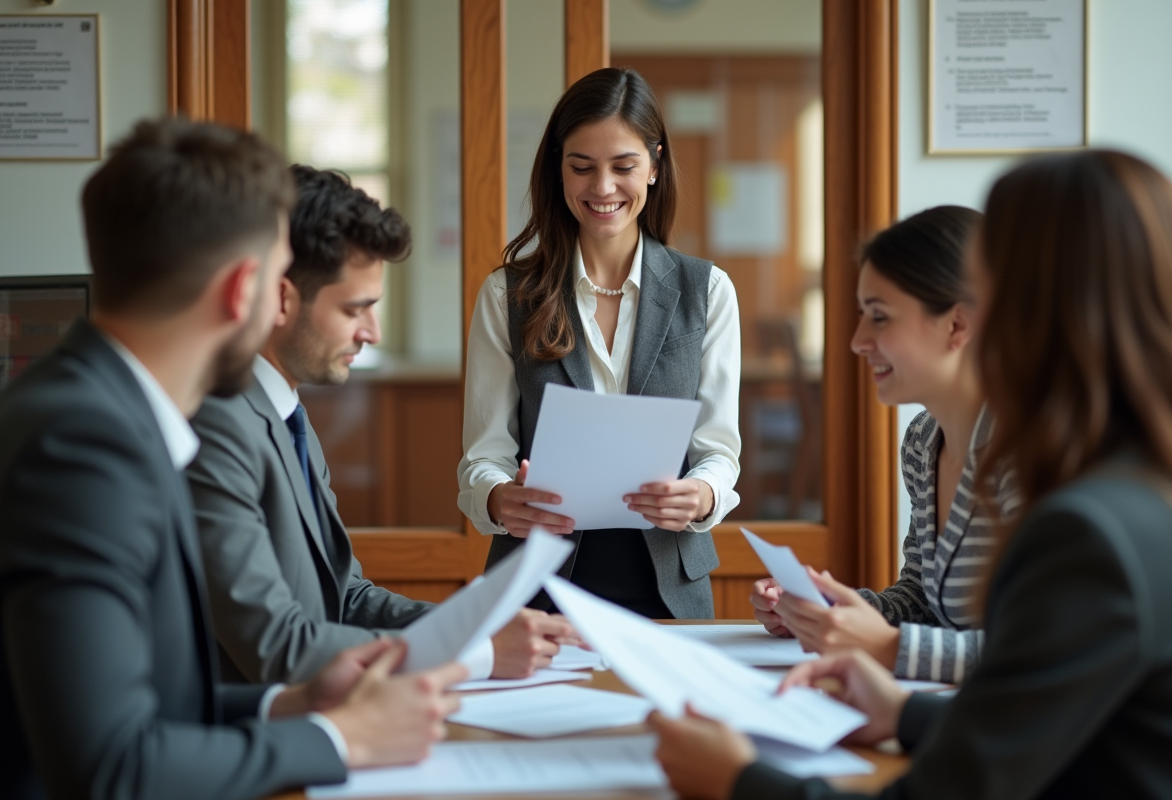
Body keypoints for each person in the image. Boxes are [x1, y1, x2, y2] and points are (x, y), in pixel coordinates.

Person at [650, 149, 1172, 798]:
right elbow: (1051, 709)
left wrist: (737, 781)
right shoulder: (1144, 483)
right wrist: (904, 711)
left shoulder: (1089, 527)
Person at [0, 119, 467, 800]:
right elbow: (108, 768)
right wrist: (344, 740)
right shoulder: (81, 445)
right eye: (279, 273)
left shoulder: (111, 415)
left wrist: (291, 707)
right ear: (245, 289)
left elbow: (147, 706)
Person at [187, 165, 576, 685]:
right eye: (356, 309)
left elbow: (345, 596)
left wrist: (476, 626)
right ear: (281, 299)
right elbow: (274, 643)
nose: (371, 332)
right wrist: (475, 654)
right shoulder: (215, 425)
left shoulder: (288, 416)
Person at [457, 67, 742, 619]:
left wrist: (702, 494)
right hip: (537, 589)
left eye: (624, 166)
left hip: (670, 589)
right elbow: (483, 455)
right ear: (557, 171)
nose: (603, 188)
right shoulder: (507, 294)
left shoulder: (706, 290)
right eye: (581, 167)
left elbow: (718, 451)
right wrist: (498, 496)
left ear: (655, 165)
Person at [750, 206, 1018, 683]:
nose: (857, 341)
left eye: (879, 317)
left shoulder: (1029, 452)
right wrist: (829, 611)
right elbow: (922, 599)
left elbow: (1049, 654)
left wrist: (891, 648)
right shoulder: (922, 442)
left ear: (958, 326)